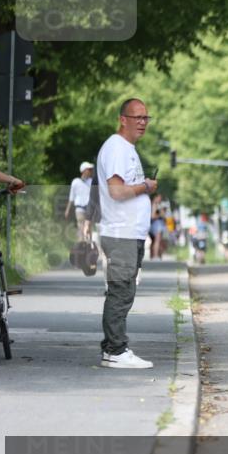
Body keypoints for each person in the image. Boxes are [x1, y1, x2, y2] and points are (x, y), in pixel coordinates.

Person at [97, 98, 157, 369]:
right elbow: (117, 191)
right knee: (121, 292)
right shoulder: (117, 148)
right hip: (121, 232)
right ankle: (115, 350)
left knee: (124, 291)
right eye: (137, 117)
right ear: (123, 119)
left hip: (128, 232)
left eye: (146, 118)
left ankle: (114, 348)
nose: (142, 122)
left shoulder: (127, 149)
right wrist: (145, 186)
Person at [64, 162, 94, 240]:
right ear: (83, 171)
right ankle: (81, 245)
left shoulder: (92, 182)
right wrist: (67, 209)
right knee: (81, 227)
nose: (91, 171)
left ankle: (88, 246)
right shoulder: (75, 182)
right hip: (79, 208)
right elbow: (72, 196)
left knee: (89, 228)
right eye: (89, 169)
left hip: (89, 208)